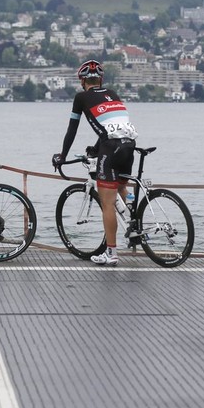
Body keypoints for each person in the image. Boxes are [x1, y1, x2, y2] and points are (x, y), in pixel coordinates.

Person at [52, 59, 138, 266]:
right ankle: (134, 223)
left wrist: (62, 156)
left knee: (106, 204)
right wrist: (96, 147)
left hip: (111, 147)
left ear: (82, 81)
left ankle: (111, 253)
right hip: (129, 144)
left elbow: (72, 130)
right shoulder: (113, 94)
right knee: (121, 186)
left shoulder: (81, 97)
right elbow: (111, 125)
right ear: (101, 79)